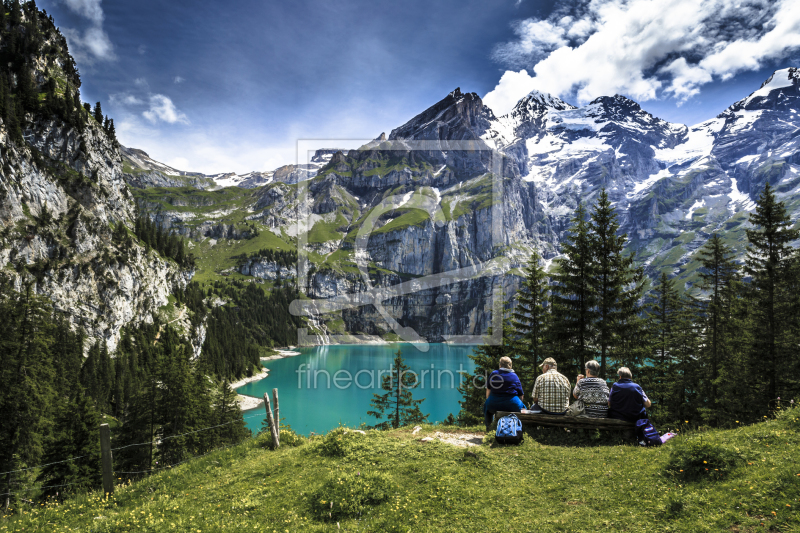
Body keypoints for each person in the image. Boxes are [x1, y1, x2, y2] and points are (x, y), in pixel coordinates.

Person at [483, 356, 525, 429]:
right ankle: (520, 429)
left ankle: (489, 428)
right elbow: (521, 394)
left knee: (487, 407)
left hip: (494, 402)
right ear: (510, 365)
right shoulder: (514, 376)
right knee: (524, 408)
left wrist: (489, 400)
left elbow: (488, 389)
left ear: (500, 365)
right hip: (511, 403)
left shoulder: (494, 374)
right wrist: (519, 403)